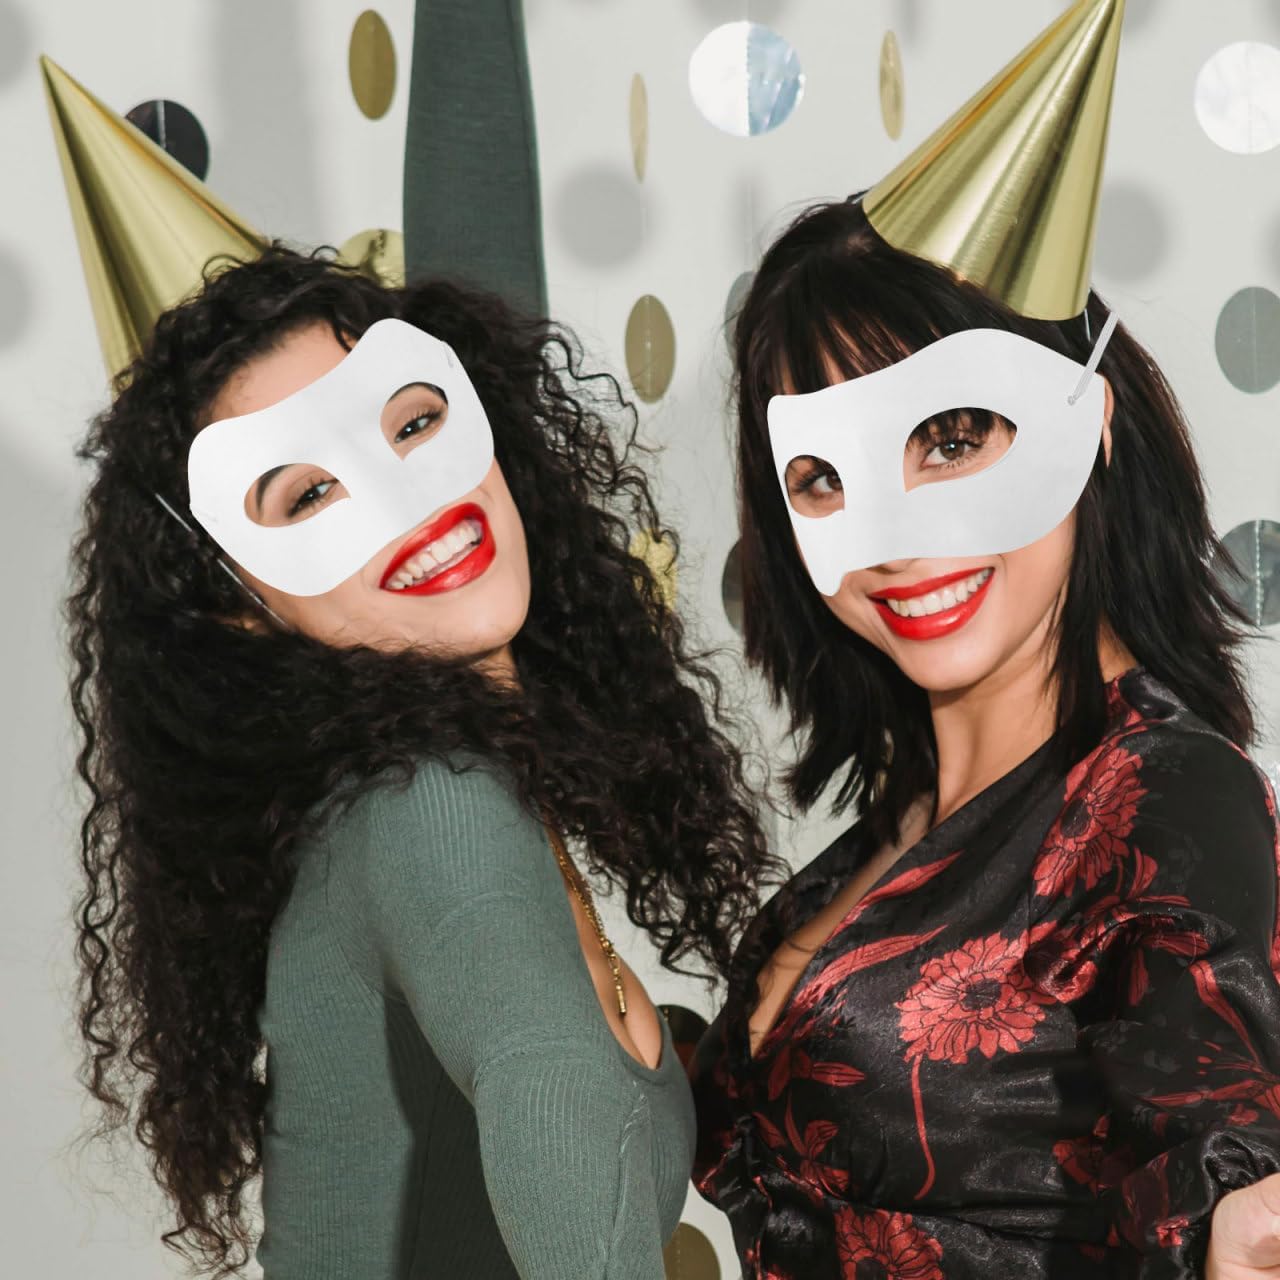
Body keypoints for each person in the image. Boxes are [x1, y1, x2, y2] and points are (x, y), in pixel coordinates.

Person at [690, 2, 1280, 1275]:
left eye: (952, 439)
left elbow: (1213, 1112)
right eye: (824, 478)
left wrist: (1244, 1209)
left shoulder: (1161, 791)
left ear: (1091, 423)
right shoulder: (881, 841)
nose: (896, 537)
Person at [69, 247, 778, 1278]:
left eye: (411, 424)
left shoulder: (447, 793)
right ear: (240, 606)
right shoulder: (430, 802)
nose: (407, 498)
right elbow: (553, 1099)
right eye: (309, 493)